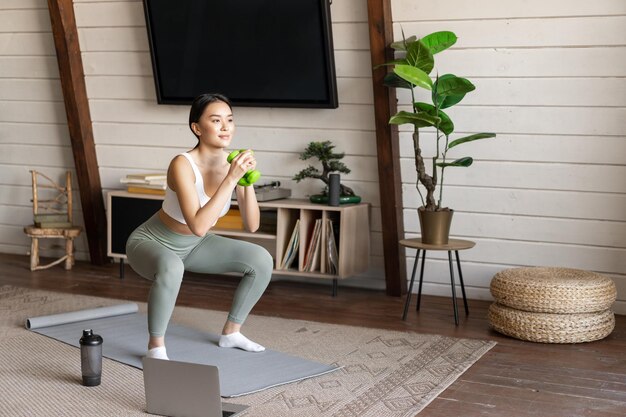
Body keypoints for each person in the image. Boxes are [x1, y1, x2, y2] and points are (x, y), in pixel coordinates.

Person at [126, 93, 273, 360]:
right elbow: (198, 225)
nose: (225, 127)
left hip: (195, 247)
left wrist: (246, 181)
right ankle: (155, 347)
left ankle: (231, 332)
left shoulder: (233, 164)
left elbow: (252, 225)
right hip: (151, 242)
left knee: (261, 258)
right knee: (172, 266)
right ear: (197, 128)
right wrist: (231, 179)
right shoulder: (182, 163)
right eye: (216, 120)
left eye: (229, 120)